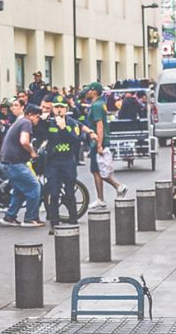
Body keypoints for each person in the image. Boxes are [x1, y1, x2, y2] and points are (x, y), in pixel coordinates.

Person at [81, 81, 128, 210]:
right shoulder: (100, 104)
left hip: (97, 141)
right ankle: (115, 189)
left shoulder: (96, 106)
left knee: (97, 171)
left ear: (94, 91)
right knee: (98, 170)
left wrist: (99, 144)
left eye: (89, 90)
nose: (87, 92)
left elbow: (99, 126)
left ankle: (106, 195)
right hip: (98, 141)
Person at [39, 95, 84, 227]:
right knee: (53, 193)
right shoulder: (49, 123)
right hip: (53, 162)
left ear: (66, 109)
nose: (59, 110)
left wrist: (64, 128)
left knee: (70, 193)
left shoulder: (72, 123)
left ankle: (73, 221)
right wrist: (42, 122)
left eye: (62, 107)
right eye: (57, 107)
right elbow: (38, 134)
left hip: (68, 161)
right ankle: (54, 223)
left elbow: (76, 141)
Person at [0, 103, 45, 227]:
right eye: (37, 116)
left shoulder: (19, 122)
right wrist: (32, 152)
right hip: (14, 163)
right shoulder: (26, 122)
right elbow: (24, 141)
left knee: (19, 190)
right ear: (30, 115)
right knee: (34, 186)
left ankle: (10, 216)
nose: (37, 119)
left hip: (8, 162)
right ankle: (30, 218)